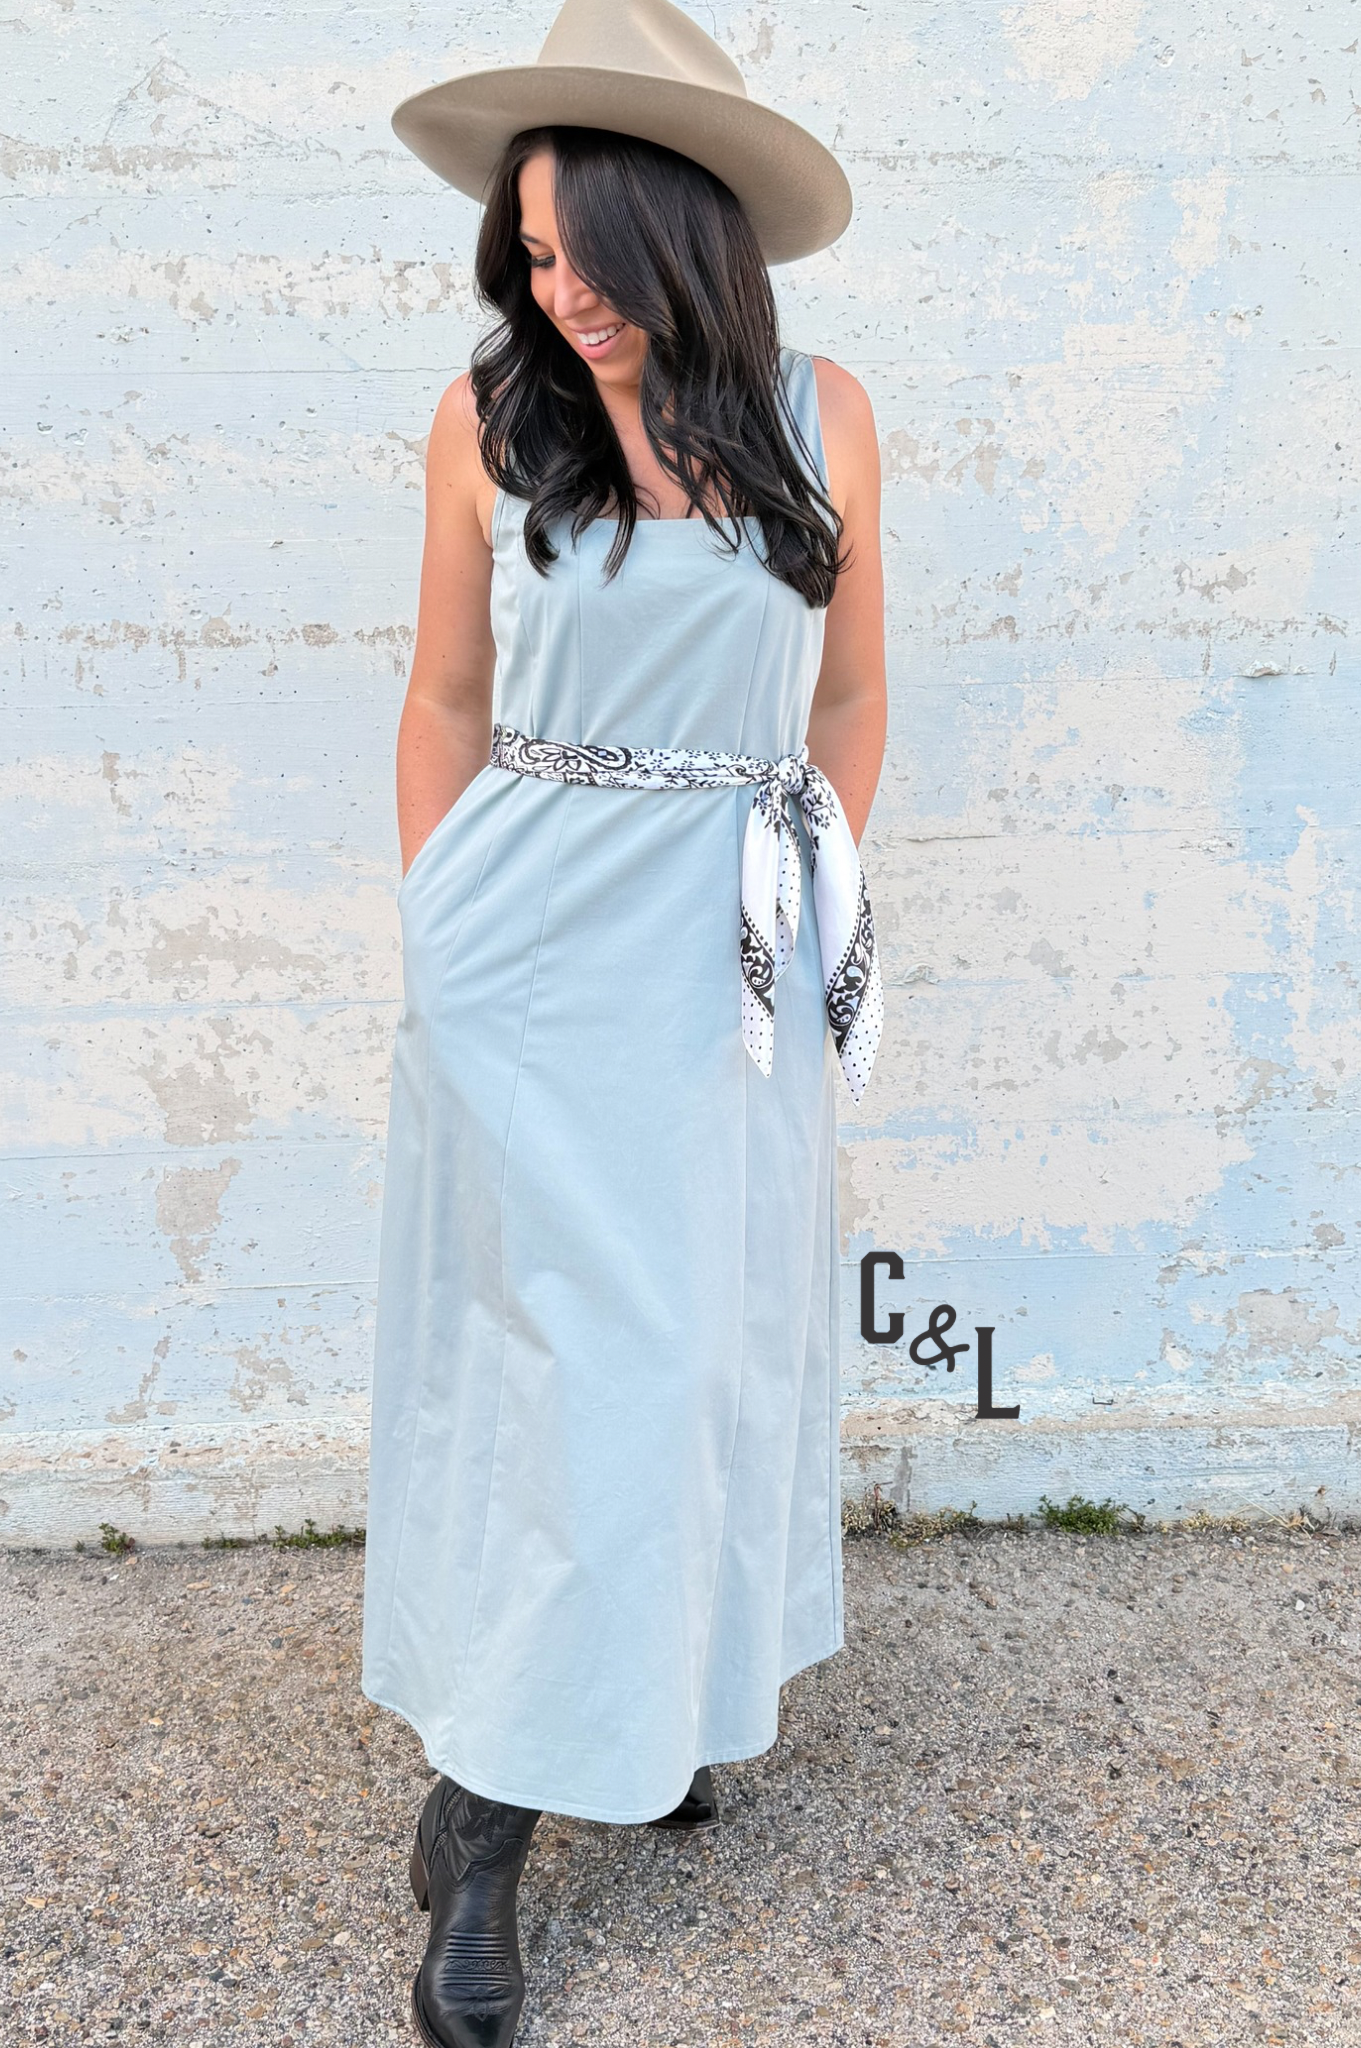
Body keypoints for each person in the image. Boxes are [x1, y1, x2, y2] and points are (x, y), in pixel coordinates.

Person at [360, 2, 886, 2042]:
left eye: (584, 249)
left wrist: (821, 904)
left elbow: (842, 701)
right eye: (531, 255)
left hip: (728, 959)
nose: (555, 289)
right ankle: (483, 1828)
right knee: (566, 1373)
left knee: (697, 1353)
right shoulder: (487, 417)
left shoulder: (821, 412)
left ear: (686, 229)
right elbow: (438, 697)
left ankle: (634, 1701)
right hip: (522, 954)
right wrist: (435, 930)